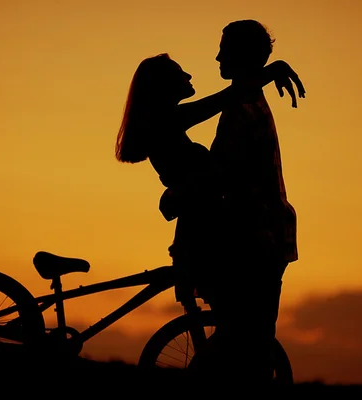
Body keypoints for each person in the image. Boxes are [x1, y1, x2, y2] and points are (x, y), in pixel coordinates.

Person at [114, 54, 303, 307]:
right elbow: (227, 97)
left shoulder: (163, 124)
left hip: (200, 230)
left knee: (230, 323)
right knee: (236, 325)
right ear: (164, 85)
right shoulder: (167, 122)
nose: (189, 76)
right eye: (180, 73)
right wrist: (272, 70)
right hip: (203, 234)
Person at [193, 19, 305, 393]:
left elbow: (223, 172)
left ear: (240, 55)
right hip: (268, 235)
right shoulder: (250, 100)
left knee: (241, 338)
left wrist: (182, 193)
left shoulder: (242, 108)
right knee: (252, 338)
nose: (217, 56)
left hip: (253, 238)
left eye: (225, 48)